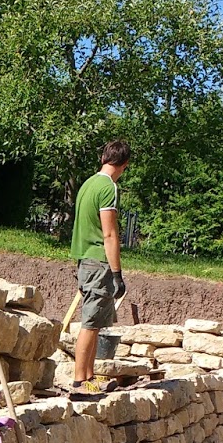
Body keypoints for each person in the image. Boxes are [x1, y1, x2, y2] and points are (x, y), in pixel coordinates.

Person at [69, 139, 131, 389]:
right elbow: (109, 233)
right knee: (90, 322)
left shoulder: (88, 184)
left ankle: (89, 376)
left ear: (104, 158)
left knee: (96, 324)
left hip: (84, 259)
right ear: (124, 164)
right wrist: (117, 273)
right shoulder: (108, 187)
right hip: (99, 261)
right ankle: (78, 381)